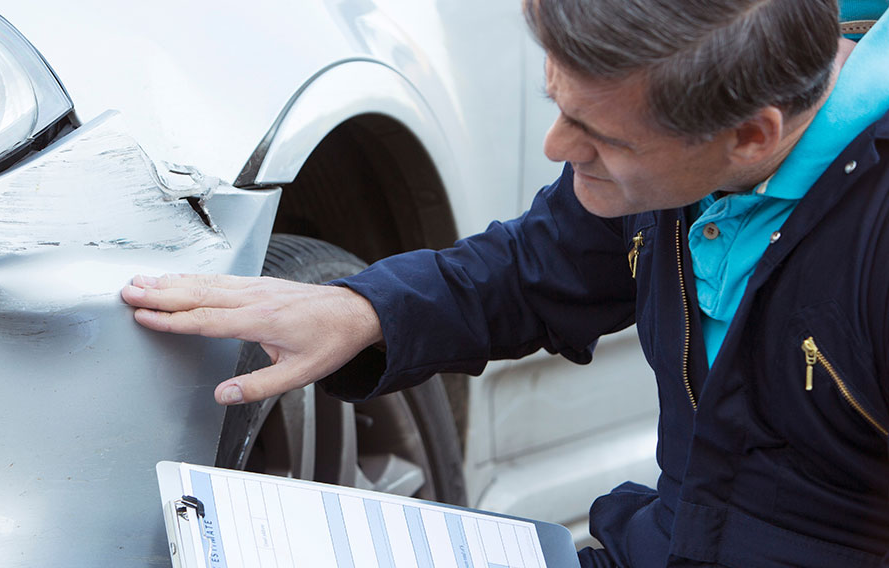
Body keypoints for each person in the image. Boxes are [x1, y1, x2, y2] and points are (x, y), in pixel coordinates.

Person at [122, 0, 889, 566]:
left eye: (600, 137)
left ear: (750, 134)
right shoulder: (677, 151)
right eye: (557, 105)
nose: (558, 146)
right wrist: (362, 310)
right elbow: (539, 267)